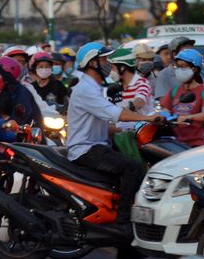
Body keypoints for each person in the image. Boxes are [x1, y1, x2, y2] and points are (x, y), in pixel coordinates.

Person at [66, 42, 162, 233]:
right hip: (86, 149)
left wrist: (128, 131)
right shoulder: (86, 89)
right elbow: (115, 114)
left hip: (97, 145)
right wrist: (148, 118)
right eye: (104, 60)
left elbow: (107, 124)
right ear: (92, 63)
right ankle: (124, 224)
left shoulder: (95, 87)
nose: (108, 63)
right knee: (132, 167)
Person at [160, 49, 204, 147]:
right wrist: (164, 116)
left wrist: (187, 117)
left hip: (197, 144)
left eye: (183, 66)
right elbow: (165, 110)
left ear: (195, 69)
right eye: (178, 66)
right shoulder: (175, 91)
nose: (179, 70)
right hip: (176, 143)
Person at [0, 56, 44, 128]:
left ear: (6, 76)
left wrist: (1, 126)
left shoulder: (21, 94)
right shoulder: (4, 93)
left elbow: (18, 120)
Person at [108, 48, 155, 131]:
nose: (111, 71)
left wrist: (121, 112)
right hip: (123, 132)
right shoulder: (116, 87)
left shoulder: (141, 83)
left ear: (122, 67)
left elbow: (139, 102)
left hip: (142, 131)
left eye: (112, 68)